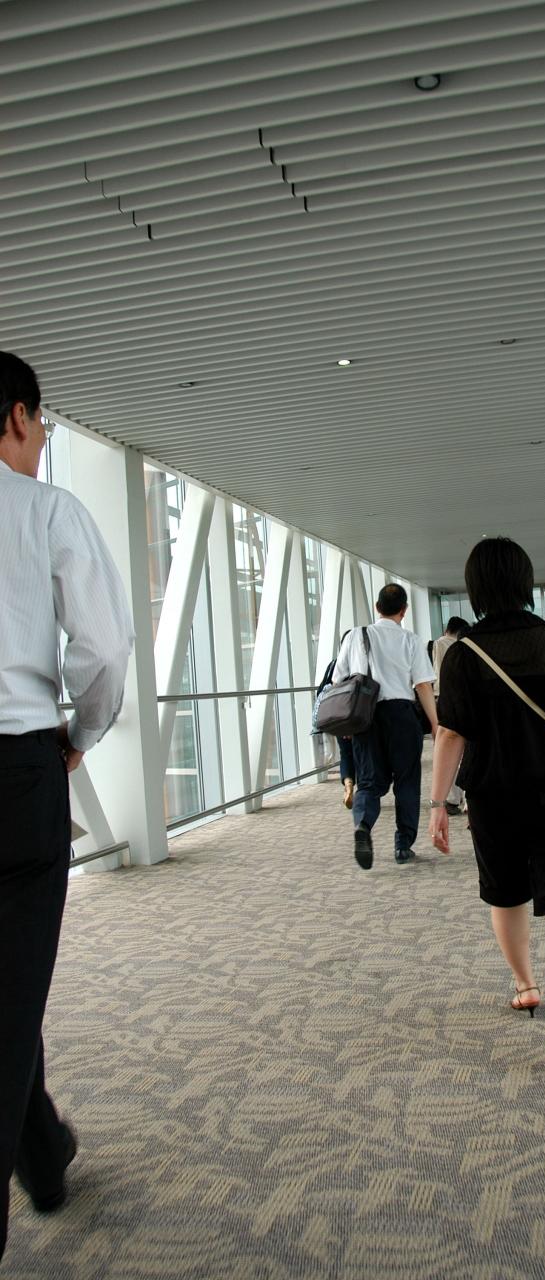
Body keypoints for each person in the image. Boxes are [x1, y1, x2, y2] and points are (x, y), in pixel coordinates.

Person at [0, 352, 134, 1259]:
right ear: (16, 416)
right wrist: (81, 733)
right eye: (43, 421)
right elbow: (103, 648)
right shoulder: (45, 509)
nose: (45, 437)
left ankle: (42, 1154)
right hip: (15, 773)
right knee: (10, 988)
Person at [428, 537, 545, 1069]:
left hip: (493, 794)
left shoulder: (463, 655)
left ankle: (526, 986)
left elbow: (450, 735)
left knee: (505, 894)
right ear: (525, 581)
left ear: (476, 589)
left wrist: (438, 804)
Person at [333, 584, 437, 868]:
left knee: (368, 781)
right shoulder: (411, 640)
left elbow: (339, 680)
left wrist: (347, 721)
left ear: (377, 607)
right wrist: (436, 724)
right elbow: (423, 685)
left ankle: (363, 825)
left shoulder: (355, 635)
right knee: (407, 781)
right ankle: (403, 846)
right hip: (402, 714)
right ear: (404, 610)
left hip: (366, 717)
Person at [431, 616, 470, 815]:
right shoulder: (468, 644)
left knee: (449, 747)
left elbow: (437, 672)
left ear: (448, 629)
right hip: (469, 700)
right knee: (467, 751)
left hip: (446, 698)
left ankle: (453, 799)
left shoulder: (440, 643)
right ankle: (468, 800)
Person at [316, 629, 356, 808]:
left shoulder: (334, 665)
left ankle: (348, 783)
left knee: (346, 753)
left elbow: (322, 690)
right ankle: (365, 790)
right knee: (362, 753)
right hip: (360, 719)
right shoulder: (361, 665)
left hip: (340, 717)